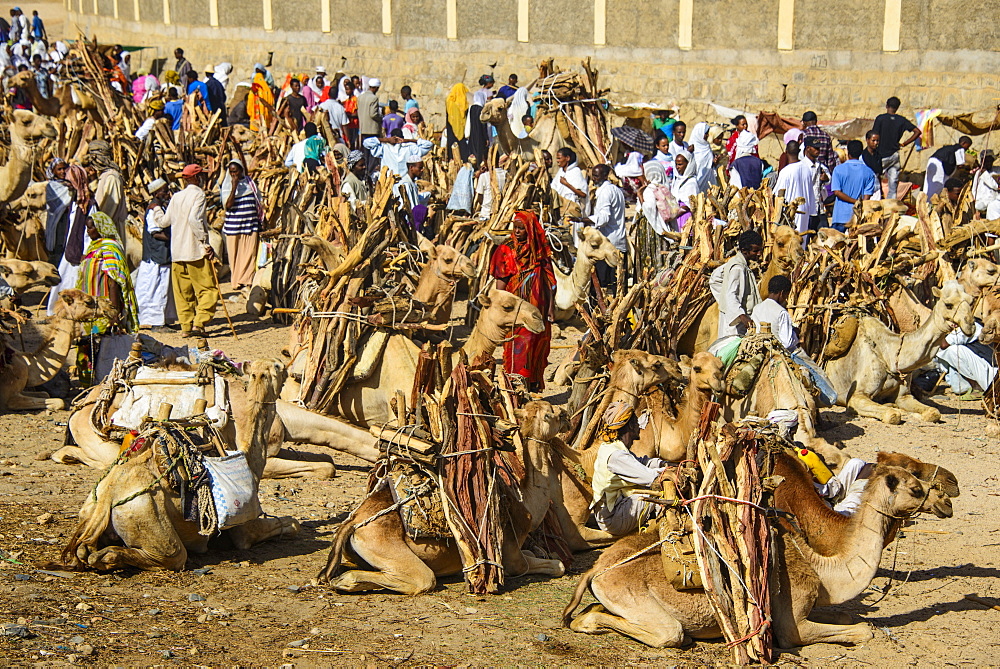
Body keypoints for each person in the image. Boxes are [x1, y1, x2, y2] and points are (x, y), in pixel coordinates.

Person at [489, 211, 556, 391]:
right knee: (519, 345)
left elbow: (549, 281)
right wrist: (500, 308)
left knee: (537, 345)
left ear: (530, 230)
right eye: (515, 227)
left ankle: (532, 384)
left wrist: (551, 307)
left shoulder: (539, 250)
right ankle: (515, 387)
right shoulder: (506, 249)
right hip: (516, 311)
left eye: (522, 228)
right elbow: (500, 283)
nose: (517, 231)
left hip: (539, 308)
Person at [751, 275, 837, 405]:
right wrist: (795, 334)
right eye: (786, 295)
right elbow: (786, 342)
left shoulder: (757, 308)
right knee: (821, 380)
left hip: (761, 351)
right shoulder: (781, 312)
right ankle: (826, 400)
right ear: (782, 293)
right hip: (784, 353)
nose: (785, 298)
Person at [589, 401, 666, 535]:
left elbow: (640, 463)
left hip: (618, 507)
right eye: (636, 422)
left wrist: (663, 464)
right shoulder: (617, 456)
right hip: (613, 519)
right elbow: (650, 477)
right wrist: (669, 472)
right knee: (660, 494)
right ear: (630, 425)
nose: (639, 426)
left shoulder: (613, 447)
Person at [162, 164, 217, 338]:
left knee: (183, 292)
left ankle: (186, 326)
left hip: (177, 251)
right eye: (201, 175)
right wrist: (205, 243)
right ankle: (199, 323)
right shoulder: (198, 195)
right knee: (207, 289)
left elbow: (164, 221)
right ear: (196, 178)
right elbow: (195, 220)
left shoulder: (176, 197)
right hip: (194, 250)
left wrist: (155, 212)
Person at [77, 211, 139, 335]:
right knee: (88, 341)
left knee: (103, 339)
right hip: (89, 306)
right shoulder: (93, 248)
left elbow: (114, 283)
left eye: (90, 227)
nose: (88, 231)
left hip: (103, 307)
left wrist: (113, 313)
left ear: (101, 228)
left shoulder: (109, 249)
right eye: (87, 228)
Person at [47, 165, 95, 315]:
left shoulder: (90, 206)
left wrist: (86, 254)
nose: (67, 186)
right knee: (63, 284)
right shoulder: (74, 204)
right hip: (70, 251)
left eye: (70, 183)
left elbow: (91, 233)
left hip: (81, 253)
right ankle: (57, 312)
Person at [708, 229, 763, 349]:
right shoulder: (738, 268)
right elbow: (731, 295)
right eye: (755, 250)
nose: (759, 254)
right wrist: (741, 315)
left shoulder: (734, 263)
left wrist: (724, 303)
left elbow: (715, 278)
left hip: (731, 316)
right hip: (735, 324)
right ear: (744, 250)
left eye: (760, 250)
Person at [581, 164, 626, 293]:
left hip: (608, 243)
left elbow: (604, 218)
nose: (594, 179)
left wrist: (582, 220)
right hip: (618, 240)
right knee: (617, 284)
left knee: (603, 284)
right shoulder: (616, 190)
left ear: (605, 176)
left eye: (596, 176)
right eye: (592, 176)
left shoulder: (606, 192)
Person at [136, 179, 173, 332]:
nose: (167, 193)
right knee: (155, 290)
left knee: (163, 289)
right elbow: (155, 233)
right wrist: (174, 238)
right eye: (164, 191)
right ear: (157, 193)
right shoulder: (153, 210)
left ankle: (163, 319)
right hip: (156, 257)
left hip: (162, 257)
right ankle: (156, 322)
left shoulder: (161, 208)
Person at [220, 159, 262, 291]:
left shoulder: (250, 183)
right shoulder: (227, 185)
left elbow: (258, 200)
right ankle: (237, 281)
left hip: (250, 225)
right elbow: (228, 205)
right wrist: (234, 186)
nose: (234, 174)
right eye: (231, 172)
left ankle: (247, 280)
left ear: (241, 170)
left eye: (236, 171)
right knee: (235, 255)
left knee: (249, 254)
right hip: (234, 227)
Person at [872, 97, 921, 200]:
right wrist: (904, 144)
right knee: (893, 185)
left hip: (881, 155)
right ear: (897, 107)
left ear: (886, 106)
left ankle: (875, 203)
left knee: (874, 180)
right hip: (894, 155)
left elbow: (874, 135)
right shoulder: (901, 120)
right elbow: (917, 132)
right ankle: (892, 207)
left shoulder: (880, 119)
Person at [936, 322, 997, 400]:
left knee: (953, 350)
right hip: (984, 368)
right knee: (958, 388)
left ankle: (978, 387)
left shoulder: (970, 325)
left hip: (991, 373)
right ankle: (972, 386)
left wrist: (937, 328)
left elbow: (944, 344)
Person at [774, 137, 822, 233]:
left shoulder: (786, 171)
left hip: (791, 213)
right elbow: (810, 192)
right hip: (805, 210)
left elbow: (778, 194)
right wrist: (812, 210)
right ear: (800, 151)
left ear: (786, 151)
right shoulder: (806, 169)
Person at [84, 140, 128, 244]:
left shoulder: (112, 178)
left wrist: (96, 226)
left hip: (109, 234)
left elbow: (109, 208)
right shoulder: (104, 176)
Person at [830, 140, 879, 232]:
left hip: (840, 217)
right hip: (858, 218)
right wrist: (858, 203)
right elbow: (867, 197)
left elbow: (837, 192)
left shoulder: (838, 170)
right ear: (861, 153)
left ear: (848, 153)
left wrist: (855, 201)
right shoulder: (868, 172)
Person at [363, 130, 433, 176]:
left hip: (404, 182)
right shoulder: (384, 148)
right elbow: (366, 143)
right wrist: (386, 140)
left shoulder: (409, 148)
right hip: (388, 182)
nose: (396, 141)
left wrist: (408, 140)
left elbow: (429, 145)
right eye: (394, 139)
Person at [43, 158, 72, 266]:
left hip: (68, 219)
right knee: (57, 246)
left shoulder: (72, 184)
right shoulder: (50, 186)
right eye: (59, 169)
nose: (62, 171)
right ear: (53, 171)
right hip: (56, 221)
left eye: (64, 168)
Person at [640, 160, 677, 235]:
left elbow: (649, 208)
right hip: (667, 226)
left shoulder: (650, 189)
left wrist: (639, 195)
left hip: (654, 228)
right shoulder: (665, 188)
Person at [550, 147, 587, 217]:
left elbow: (583, 194)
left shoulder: (576, 171)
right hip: (561, 208)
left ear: (567, 158)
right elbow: (553, 188)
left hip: (572, 209)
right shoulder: (560, 172)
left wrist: (566, 184)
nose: (557, 161)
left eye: (559, 158)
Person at [800, 111, 838, 176]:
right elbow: (830, 159)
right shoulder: (826, 136)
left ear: (804, 122)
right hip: (822, 172)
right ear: (816, 121)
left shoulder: (803, 134)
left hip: (806, 171)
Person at [357, 77, 383, 160]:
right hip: (372, 129)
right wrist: (381, 118)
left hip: (363, 128)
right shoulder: (374, 98)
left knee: (365, 152)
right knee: (373, 154)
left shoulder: (360, 97)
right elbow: (373, 114)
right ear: (375, 88)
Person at [690, 121, 718, 193]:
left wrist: (714, 163)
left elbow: (709, 164)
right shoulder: (692, 149)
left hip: (709, 180)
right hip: (698, 181)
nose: (707, 135)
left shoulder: (707, 146)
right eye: (706, 133)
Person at [974, 150, 1000, 218]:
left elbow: (996, 186)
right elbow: (975, 188)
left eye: (989, 161)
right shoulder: (978, 172)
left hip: (993, 199)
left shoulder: (997, 171)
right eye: (985, 161)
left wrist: (985, 174)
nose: (987, 163)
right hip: (981, 200)